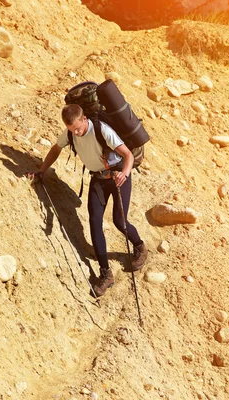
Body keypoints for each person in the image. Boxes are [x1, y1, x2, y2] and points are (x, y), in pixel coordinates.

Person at [28, 104, 147, 297]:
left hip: (117, 176)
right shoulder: (70, 134)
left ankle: (140, 247)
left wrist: (124, 174)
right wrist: (42, 171)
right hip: (98, 180)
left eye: (77, 128)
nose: (76, 132)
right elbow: (56, 149)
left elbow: (127, 155)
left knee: (119, 220)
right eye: (71, 129)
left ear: (84, 119)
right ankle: (105, 273)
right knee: (94, 223)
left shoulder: (101, 129)